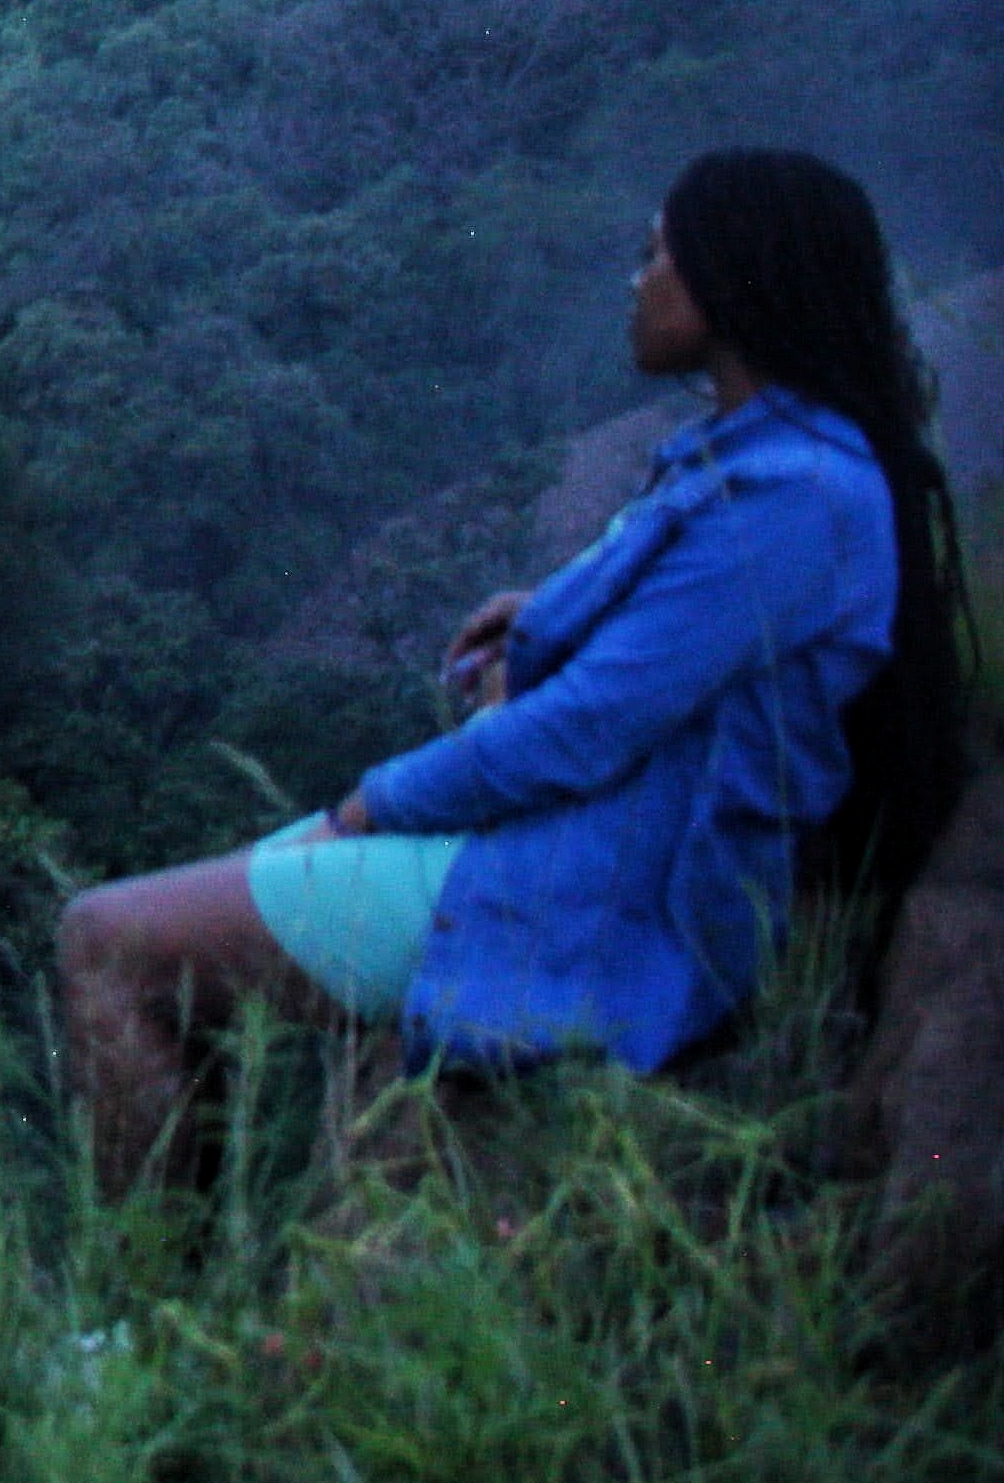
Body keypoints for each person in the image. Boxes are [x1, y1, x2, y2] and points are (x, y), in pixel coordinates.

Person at [57, 148, 970, 1196]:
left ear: (733, 276)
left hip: (597, 885)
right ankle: (187, 1259)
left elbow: (582, 729)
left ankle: (143, 1281)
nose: (637, 282)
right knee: (177, 932)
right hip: (574, 842)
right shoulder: (768, 461)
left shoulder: (791, 495)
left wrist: (368, 807)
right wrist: (550, 614)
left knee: (108, 943)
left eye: (656, 256)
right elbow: (694, 634)